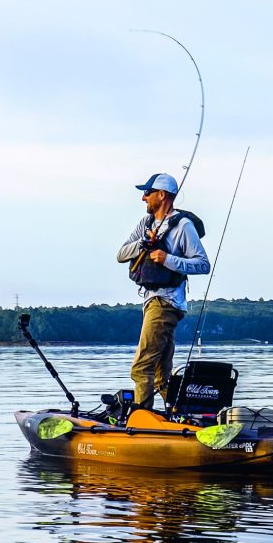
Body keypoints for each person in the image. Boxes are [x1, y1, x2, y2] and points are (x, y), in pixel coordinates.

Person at [117, 173, 210, 409]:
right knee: (160, 375)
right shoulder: (145, 224)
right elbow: (120, 255)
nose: (143, 198)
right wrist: (142, 244)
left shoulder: (184, 226)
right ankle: (183, 415)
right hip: (151, 302)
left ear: (162, 195)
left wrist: (168, 259)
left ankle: (141, 423)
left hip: (165, 302)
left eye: (147, 193)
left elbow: (203, 264)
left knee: (141, 368)